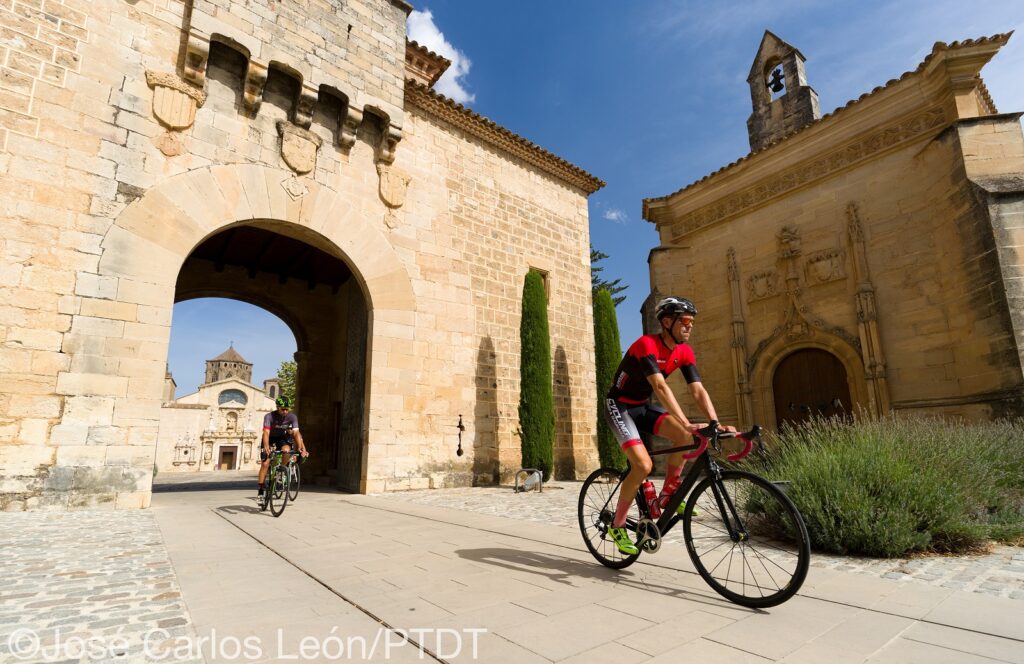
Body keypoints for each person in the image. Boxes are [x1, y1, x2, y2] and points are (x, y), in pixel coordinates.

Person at [601, 296, 734, 554]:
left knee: (685, 437)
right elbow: (660, 387)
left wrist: (715, 422)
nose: (689, 326)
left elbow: (697, 390)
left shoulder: (684, 351)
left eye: (692, 322)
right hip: (619, 405)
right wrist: (686, 422)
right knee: (643, 465)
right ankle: (617, 526)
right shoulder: (645, 345)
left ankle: (668, 494)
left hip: (641, 405)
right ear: (666, 321)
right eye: (684, 321)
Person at [257, 396, 308, 503]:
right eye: (282, 409)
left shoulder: (292, 417)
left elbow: (296, 433)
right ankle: (260, 491)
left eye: (287, 409)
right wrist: (266, 445)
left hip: (281, 438)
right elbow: (266, 432)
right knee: (265, 463)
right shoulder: (269, 416)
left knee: (286, 450)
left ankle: (281, 471)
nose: (285, 411)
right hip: (269, 438)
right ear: (277, 408)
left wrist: (300, 448)